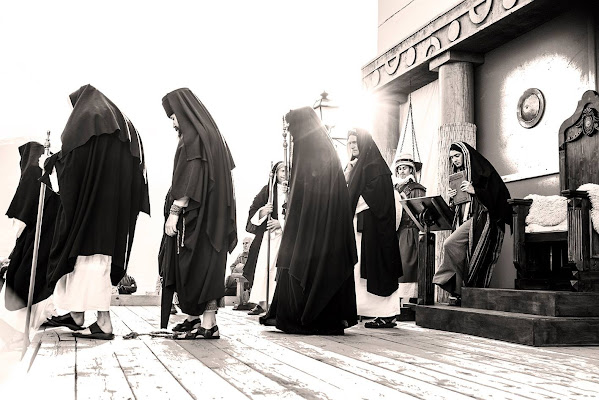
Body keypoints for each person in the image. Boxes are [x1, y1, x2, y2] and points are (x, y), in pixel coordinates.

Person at [43, 84, 150, 340]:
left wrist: (53, 162)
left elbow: (74, 163)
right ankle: (77, 314)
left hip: (90, 213)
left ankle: (103, 323)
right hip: (111, 214)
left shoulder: (85, 126)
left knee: (88, 262)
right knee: (92, 263)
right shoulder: (122, 128)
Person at [260, 106, 358, 335]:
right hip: (316, 228)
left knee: (306, 265)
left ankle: (305, 317)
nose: (293, 138)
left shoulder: (315, 152)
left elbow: (313, 196)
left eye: (295, 132)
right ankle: (301, 315)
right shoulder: (321, 150)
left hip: (316, 229)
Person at [159, 88, 237, 340]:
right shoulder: (211, 135)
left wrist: (174, 211)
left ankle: (208, 323)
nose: (172, 122)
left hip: (199, 217)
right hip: (214, 217)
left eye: (173, 116)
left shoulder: (193, 137)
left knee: (197, 265)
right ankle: (194, 318)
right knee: (203, 265)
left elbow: (190, 178)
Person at [432, 141, 512, 305]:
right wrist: (453, 199)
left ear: (465, 155)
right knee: (460, 252)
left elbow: (500, 196)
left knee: (450, 244)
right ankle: (459, 291)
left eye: (457, 155)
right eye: (451, 157)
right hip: (465, 219)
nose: (454, 160)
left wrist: (475, 190)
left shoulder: (484, 172)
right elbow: (456, 209)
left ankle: (457, 287)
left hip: (482, 220)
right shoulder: (458, 175)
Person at [0, 142, 60, 342]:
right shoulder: (48, 175)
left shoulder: (32, 173)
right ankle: (22, 332)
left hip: (34, 239)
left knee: (20, 280)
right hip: (46, 238)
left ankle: (17, 334)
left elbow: (21, 219)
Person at [345, 128, 403, 329]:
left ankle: (386, 314)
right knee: (363, 270)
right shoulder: (359, 167)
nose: (352, 146)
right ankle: (369, 311)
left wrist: (350, 196)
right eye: (349, 143)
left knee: (379, 269)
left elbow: (371, 198)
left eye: (355, 142)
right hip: (363, 229)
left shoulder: (376, 167)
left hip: (377, 231)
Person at [244, 162, 287, 315]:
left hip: (287, 236)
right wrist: (263, 211)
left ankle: (277, 304)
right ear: (275, 173)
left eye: (287, 170)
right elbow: (253, 210)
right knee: (264, 267)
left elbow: (299, 212)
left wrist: (281, 224)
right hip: (269, 237)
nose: (284, 174)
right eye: (282, 170)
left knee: (280, 269)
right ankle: (263, 302)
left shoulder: (294, 190)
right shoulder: (268, 191)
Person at [392, 153, 426, 304]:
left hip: (410, 230)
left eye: (404, 168)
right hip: (397, 231)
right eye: (399, 168)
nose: (401, 171)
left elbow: (420, 212)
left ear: (411, 170)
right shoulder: (394, 187)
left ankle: (410, 302)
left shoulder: (416, 189)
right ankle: (397, 304)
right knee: (397, 265)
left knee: (408, 265)